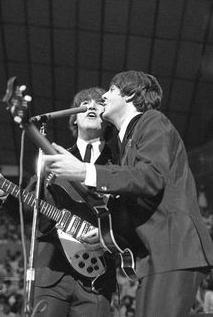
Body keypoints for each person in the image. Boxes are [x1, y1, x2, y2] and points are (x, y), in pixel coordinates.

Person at [42, 70, 213, 317]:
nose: (104, 97)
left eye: (111, 90)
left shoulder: (153, 121)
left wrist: (84, 171)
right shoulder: (125, 146)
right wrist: (102, 235)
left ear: (131, 94)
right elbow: (138, 202)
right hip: (156, 256)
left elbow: (150, 178)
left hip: (175, 250)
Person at [0, 87, 117, 317]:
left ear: (108, 117)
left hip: (97, 278)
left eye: (99, 102)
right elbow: (31, 208)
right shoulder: (52, 158)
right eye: (84, 102)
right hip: (51, 276)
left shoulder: (120, 164)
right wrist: (5, 195)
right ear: (73, 117)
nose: (92, 105)